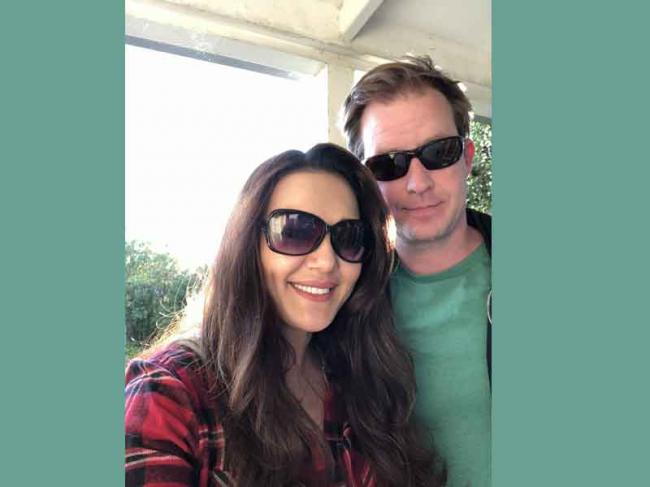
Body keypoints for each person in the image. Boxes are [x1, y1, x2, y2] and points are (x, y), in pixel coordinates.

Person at [124, 143, 443, 486]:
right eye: (294, 231)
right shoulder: (169, 395)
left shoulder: (358, 380)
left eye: (349, 237)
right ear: (248, 245)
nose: (327, 261)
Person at [342, 56, 491, 487]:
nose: (418, 182)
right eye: (389, 164)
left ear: (466, 157)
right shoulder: (341, 304)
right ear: (365, 180)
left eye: (438, 153)